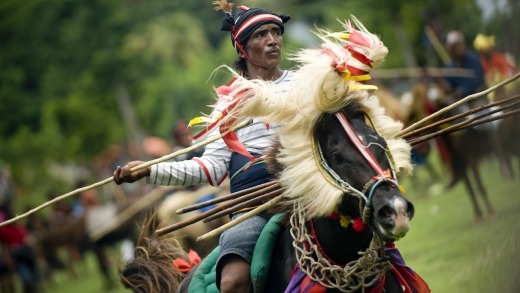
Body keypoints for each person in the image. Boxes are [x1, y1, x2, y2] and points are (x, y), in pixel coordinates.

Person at [114, 4, 292, 292]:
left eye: (276, 32)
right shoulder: (229, 105)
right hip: (254, 207)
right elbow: (209, 167)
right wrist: (149, 170)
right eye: (262, 34)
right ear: (243, 48)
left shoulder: (306, 86)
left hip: (309, 194)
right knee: (233, 282)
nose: (273, 40)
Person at [438, 30, 486, 107]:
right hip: (461, 105)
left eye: (461, 44)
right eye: (456, 46)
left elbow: (477, 79)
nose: (460, 47)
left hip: (479, 101)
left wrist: (463, 90)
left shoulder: (473, 59)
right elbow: (450, 87)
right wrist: (442, 82)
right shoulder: (449, 66)